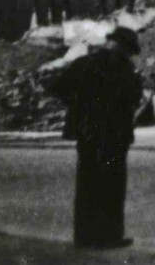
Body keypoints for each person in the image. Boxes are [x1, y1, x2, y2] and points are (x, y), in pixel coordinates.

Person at [48, 26, 143, 249]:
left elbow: (57, 88)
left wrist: (79, 107)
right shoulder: (122, 67)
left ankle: (84, 236)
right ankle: (109, 236)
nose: (128, 54)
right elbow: (134, 97)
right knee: (112, 186)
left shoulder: (83, 63)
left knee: (88, 184)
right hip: (114, 134)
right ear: (119, 45)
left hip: (88, 133)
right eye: (128, 49)